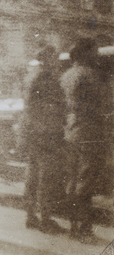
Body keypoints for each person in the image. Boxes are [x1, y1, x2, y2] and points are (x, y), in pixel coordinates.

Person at [60, 38, 113, 241]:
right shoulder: (90, 75)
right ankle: (83, 228)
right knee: (86, 182)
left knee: (73, 179)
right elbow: (105, 104)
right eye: (94, 51)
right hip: (89, 132)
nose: (97, 55)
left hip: (71, 131)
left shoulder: (67, 75)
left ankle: (74, 226)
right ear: (86, 53)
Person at [21, 46, 67, 234]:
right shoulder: (47, 78)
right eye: (54, 57)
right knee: (46, 177)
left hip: (31, 131)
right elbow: (56, 106)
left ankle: (31, 217)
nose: (56, 60)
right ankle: (46, 220)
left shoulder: (31, 75)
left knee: (32, 175)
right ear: (47, 58)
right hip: (45, 132)